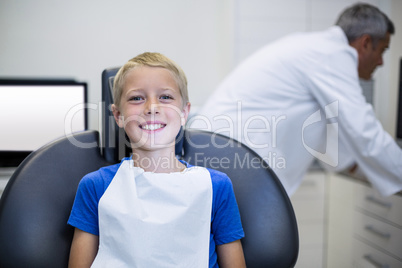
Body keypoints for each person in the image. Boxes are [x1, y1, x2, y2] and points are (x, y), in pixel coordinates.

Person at [189, 3, 402, 197]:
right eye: (382, 50)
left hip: (220, 150)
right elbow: (363, 129)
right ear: (365, 43)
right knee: (254, 236)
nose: (382, 62)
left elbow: (328, 144)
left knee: (230, 236)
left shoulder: (315, 51)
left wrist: (361, 168)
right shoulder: (333, 54)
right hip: (236, 154)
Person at [67, 52, 246, 267]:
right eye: (136, 98)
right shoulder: (96, 186)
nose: (152, 107)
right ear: (118, 116)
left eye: (165, 97)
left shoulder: (215, 187)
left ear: (184, 112)